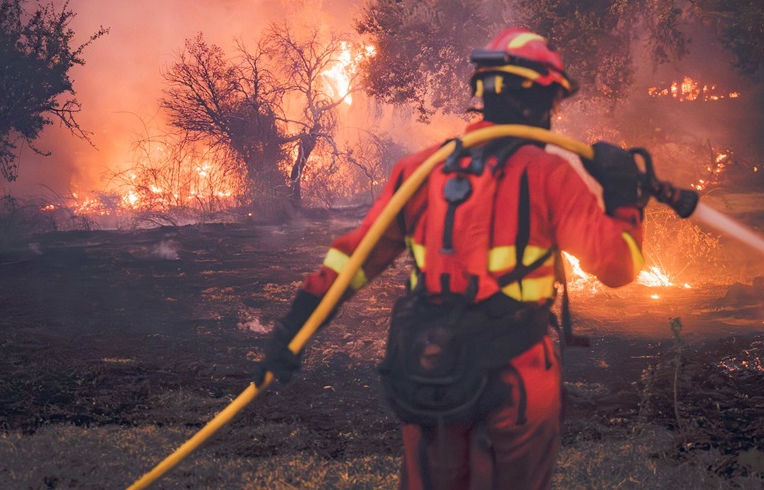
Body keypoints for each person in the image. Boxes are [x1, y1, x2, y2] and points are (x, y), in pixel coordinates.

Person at [254, 27, 652, 490]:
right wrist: (625, 195)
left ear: (483, 92)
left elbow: (352, 261)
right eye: (554, 104)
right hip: (518, 373)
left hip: (429, 367)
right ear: (540, 99)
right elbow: (619, 267)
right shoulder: (550, 175)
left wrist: (292, 334)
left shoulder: (422, 169)